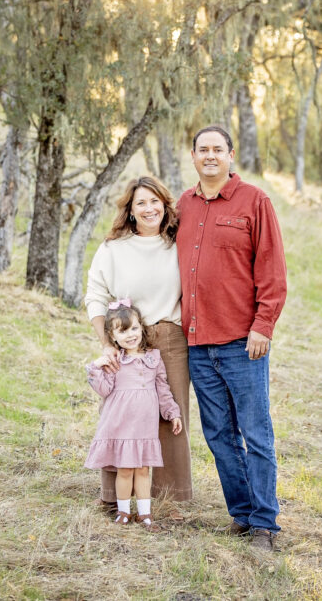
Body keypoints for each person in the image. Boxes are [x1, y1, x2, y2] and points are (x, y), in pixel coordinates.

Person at [176, 125, 287, 551]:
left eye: (217, 150)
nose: (209, 156)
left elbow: (273, 271)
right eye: (202, 149)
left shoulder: (254, 201)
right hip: (198, 344)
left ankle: (265, 524)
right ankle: (242, 515)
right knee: (219, 435)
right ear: (193, 156)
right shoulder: (183, 205)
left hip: (243, 342)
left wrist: (264, 326)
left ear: (231, 155)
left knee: (256, 434)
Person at [85, 175, 194, 507]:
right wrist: (107, 344)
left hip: (169, 337)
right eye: (141, 203)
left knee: (170, 415)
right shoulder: (113, 248)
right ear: (130, 211)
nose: (149, 209)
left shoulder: (180, 243)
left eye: (155, 201)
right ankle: (114, 498)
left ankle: (169, 501)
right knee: (122, 414)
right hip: (127, 340)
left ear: (165, 204)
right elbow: (95, 296)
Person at [85, 300, 183, 530]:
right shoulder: (115, 360)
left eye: (135, 328)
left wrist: (172, 413)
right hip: (121, 424)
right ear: (112, 335)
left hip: (144, 427)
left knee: (142, 469)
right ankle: (123, 511)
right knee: (125, 469)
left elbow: (163, 389)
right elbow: (104, 389)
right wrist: (96, 367)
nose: (131, 335)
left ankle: (145, 513)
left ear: (142, 328)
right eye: (123, 330)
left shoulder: (153, 358)